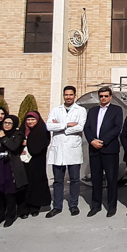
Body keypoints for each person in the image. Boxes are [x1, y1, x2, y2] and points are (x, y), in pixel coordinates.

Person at [46, 86, 87, 218]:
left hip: (73, 149)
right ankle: (57, 206)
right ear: (63, 96)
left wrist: (59, 126)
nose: (68, 97)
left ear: (75, 95)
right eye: (66, 95)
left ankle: (73, 205)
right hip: (58, 150)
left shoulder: (81, 110)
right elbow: (49, 126)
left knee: (74, 179)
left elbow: (80, 127)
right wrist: (67, 125)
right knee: (58, 180)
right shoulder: (55, 110)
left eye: (70, 95)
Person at [83, 87, 123, 217]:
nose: (103, 98)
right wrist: (92, 141)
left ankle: (111, 206)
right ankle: (96, 205)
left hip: (109, 149)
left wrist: (103, 141)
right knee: (96, 178)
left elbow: (117, 128)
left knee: (111, 179)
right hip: (94, 149)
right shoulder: (93, 111)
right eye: (101, 96)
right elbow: (87, 127)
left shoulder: (117, 110)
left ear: (110, 97)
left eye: (106, 96)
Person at [0, 115, 27, 227]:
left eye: (9, 123)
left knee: (10, 193)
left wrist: (4, 138)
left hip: (10, 166)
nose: (6, 125)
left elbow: (14, 147)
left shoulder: (17, 135)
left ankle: (10, 216)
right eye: (5, 123)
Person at [19, 111, 52, 217]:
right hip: (23, 163)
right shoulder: (22, 131)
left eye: (33, 119)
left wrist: (28, 143)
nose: (30, 122)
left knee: (36, 184)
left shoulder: (42, 131)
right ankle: (24, 208)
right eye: (28, 119)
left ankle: (35, 207)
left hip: (37, 162)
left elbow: (38, 147)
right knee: (24, 184)